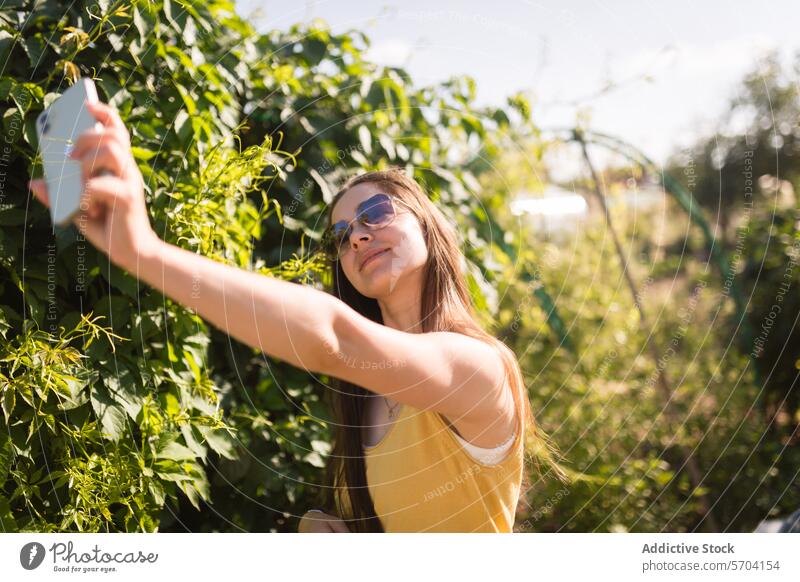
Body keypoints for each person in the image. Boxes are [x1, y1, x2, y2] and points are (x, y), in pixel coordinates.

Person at [29, 100, 565, 533]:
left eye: (377, 212)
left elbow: (335, 337)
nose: (356, 235)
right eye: (342, 234)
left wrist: (144, 251)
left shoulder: (480, 368)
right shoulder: (365, 397)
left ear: (428, 227)